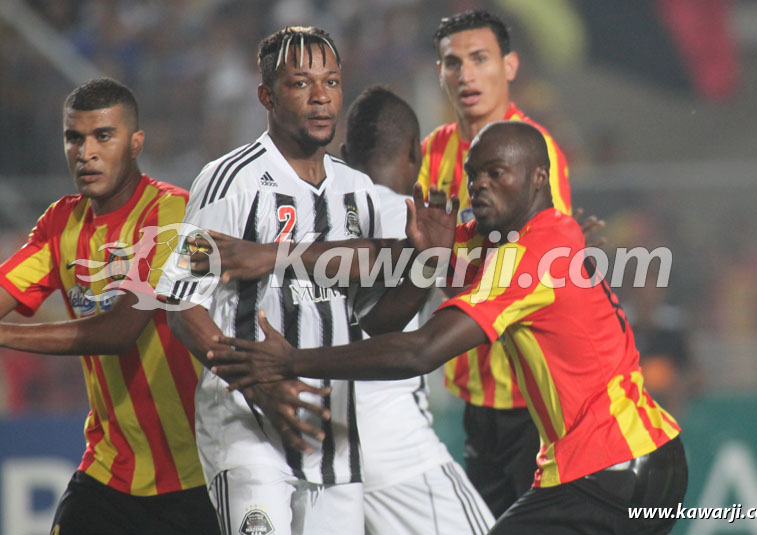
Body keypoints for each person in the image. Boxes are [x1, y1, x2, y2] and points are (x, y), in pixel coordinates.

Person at [209, 122, 689, 535]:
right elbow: (382, 284)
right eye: (472, 174)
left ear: (538, 178)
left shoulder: (531, 255)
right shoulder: (508, 239)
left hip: (610, 468)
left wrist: (291, 360)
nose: (478, 185)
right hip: (644, 460)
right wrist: (426, 260)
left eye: (495, 173)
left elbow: (422, 350)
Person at [154, 27, 451, 535]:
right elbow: (180, 302)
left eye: (331, 82)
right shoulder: (231, 179)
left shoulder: (357, 192)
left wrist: (426, 263)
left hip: (333, 438)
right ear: (267, 96)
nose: (320, 97)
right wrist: (257, 382)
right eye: (300, 83)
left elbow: (378, 319)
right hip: (247, 429)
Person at [0, 78, 219, 535]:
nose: (86, 152)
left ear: (136, 142)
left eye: (104, 136)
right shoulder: (60, 223)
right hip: (108, 470)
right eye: (74, 137)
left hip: (196, 471)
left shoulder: (174, 215)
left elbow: (120, 331)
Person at [418, 9, 576, 517]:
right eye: (452, 62)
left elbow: (539, 276)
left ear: (509, 66)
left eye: (479, 59)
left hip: (532, 396)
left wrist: (446, 263)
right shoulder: (432, 153)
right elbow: (418, 260)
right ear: (440, 73)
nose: (465, 74)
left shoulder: (536, 152)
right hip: (475, 391)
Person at [341, 85, 494, 535]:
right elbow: (489, 279)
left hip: (320, 445)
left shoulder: (322, 213)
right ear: (415, 151)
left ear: (347, 153)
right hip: (395, 444)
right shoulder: (413, 218)